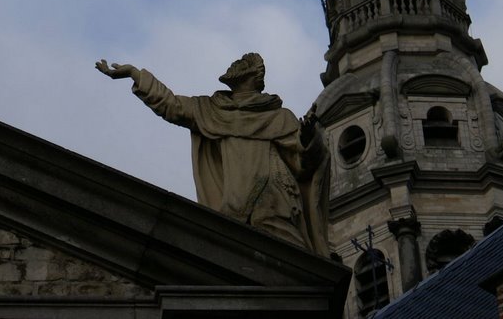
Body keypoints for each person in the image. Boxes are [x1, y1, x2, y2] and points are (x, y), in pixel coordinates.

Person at [95, 53, 330, 255]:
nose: (234, 65)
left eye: (242, 63)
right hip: (234, 204)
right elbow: (171, 105)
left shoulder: (280, 118)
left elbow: (302, 165)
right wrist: (137, 75)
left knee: (292, 261)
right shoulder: (210, 110)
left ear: (251, 75)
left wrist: (309, 140)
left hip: (275, 200)